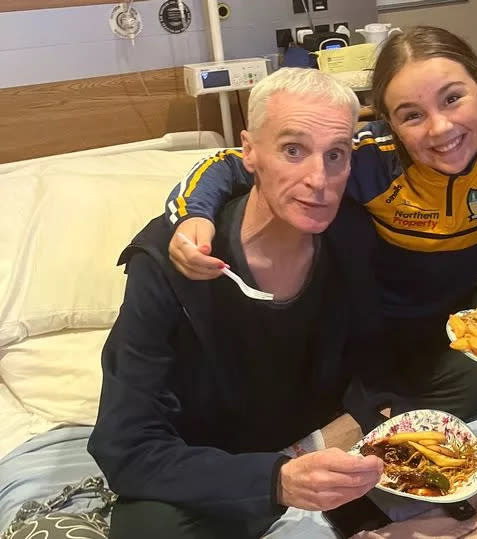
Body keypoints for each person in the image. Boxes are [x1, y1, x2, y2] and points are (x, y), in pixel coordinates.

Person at [163, 26, 477, 456]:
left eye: (452, 98)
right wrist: (190, 216)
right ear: (392, 123)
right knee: (453, 400)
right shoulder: (367, 159)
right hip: (373, 324)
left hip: (465, 314)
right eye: (412, 115)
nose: (440, 128)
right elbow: (233, 163)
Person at [88, 68, 387, 539]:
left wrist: (327, 447)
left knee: (462, 378)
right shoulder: (168, 266)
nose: (319, 179)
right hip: (216, 463)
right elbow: (126, 445)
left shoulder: (353, 238)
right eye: (293, 150)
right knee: (147, 528)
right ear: (248, 151)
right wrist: (274, 481)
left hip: (319, 440)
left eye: (336, 155)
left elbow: (381, 360)